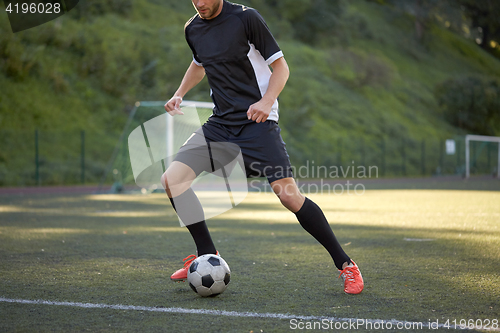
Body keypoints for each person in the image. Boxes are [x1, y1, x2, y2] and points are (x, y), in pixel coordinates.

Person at [162, 0, 364, 294]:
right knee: (173, 180)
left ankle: (346, 265)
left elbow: (281, 68)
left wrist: (267, 101)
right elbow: (198, 64)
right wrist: (179, 93)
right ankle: (208, 254)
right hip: (220, 124)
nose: (200, 3)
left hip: (258, 121)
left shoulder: (247, 19)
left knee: (289, 196)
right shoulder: (192, 28)